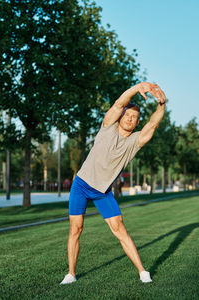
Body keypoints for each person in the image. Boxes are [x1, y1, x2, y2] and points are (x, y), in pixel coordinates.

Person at [60, 82, 166, 285]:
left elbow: (153, 125)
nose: (130, 118)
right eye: (128, 115)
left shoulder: (135, 142)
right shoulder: (108, 126)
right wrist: (138, 87)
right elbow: (119, 103)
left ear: (136, 123)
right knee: (76, 229)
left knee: (119, 230)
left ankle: (143, 272)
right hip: (81, 185)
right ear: (121, 117)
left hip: (103, 191)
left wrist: (161, 105)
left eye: (134, 118)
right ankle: (71, 274)